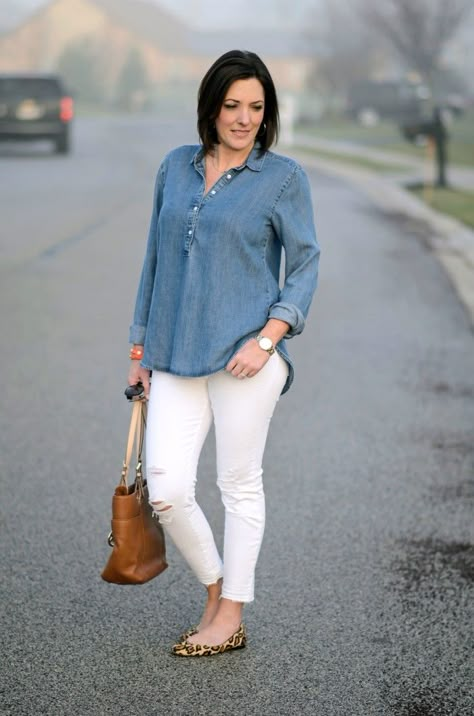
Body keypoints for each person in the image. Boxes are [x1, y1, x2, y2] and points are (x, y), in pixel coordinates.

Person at [127, 50, 320, 657]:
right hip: (173, 353)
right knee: (166, 489)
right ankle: (217, 588)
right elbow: (154, 259)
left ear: (268, 114)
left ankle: (230, 613)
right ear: (209, 108)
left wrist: (269, 338)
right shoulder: (175, 167)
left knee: (239, 485)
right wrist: (140, 346)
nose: (243, 119)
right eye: (232, 106)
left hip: (246, 360)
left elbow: (306, 263)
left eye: (256, 108)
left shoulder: (283, 178)